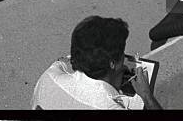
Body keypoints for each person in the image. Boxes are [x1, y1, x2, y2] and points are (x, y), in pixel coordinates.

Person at [31, 16, 162, 109]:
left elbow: (64, 60)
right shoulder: (107, 106)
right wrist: (147, 96)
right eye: (122, 55)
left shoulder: (49, 76)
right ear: (113, 64)